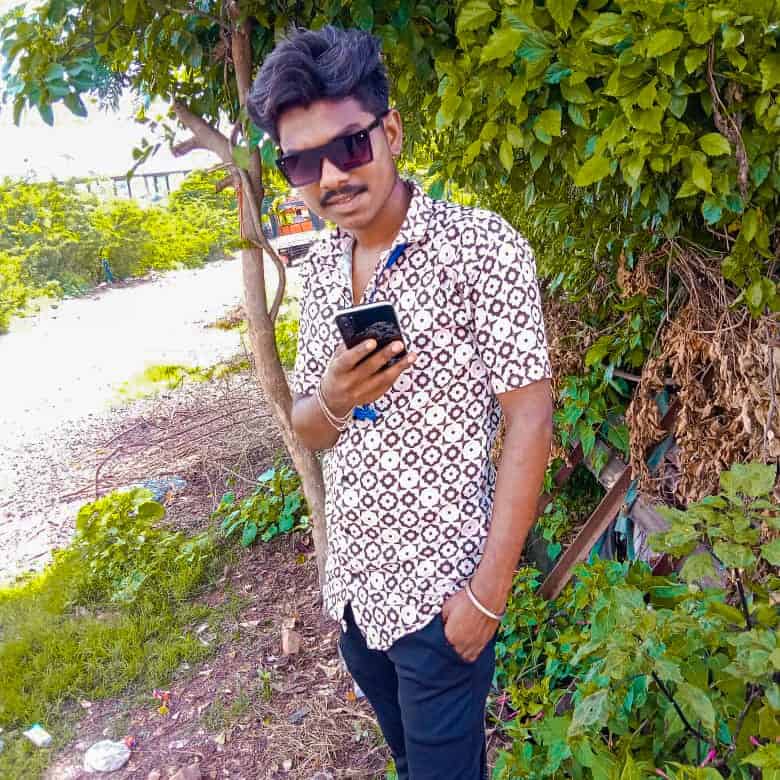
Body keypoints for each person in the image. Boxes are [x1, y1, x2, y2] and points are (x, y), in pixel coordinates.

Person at [248, 26, 553, 780]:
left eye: (349, 146)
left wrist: (487, 597)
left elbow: (529, 418)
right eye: (301, 162)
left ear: (391, 131)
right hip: (357, 595)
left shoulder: (481, 248)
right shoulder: (320, 267)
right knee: (412, 762)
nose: (330, 178)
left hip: (441, 600)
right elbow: (309, 427)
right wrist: (334, 396)